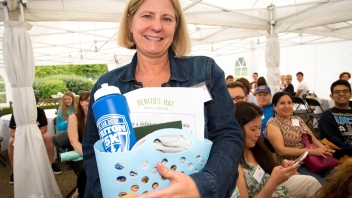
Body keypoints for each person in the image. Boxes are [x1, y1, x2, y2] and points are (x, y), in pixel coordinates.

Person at [82, 0, 243, 197]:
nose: (157, 26)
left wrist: (201, 186)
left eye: (166, 18)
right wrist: (111, 191)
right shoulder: (107, 85)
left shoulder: (205, 72)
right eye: (147, 16)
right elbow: (92, 152)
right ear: (130, 22)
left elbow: (228, 136)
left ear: (176, 27)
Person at [233, 102, 321, 198]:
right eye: (253, 129)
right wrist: (274, 181)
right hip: (268, 189)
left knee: (311, 183)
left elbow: (268, 170)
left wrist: (282, 168)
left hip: (272, 186)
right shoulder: (233, 164)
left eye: (259, 128)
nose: (258, 134)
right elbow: (281, 150)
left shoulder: (255, 147)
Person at [265, 91, 335, 185]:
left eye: (289, 103)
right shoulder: (273, 124)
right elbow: (282, 151)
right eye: (282, 103)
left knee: (339, 177)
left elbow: (312, 138)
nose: (287, 106)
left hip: (313, 158)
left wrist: (324, 149)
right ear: (274, 106)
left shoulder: (297, 119)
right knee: (320, 185)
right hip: (294, 163)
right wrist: (313, 151)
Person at [8, 96, 62, 184]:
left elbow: (44, 128)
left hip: (37, 135)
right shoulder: (17, 113)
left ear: (36, 103)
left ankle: (52, 164)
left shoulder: (40, 112)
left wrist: (33, 136)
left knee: (47, 137)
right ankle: (15, 171)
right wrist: (23, 137)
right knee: (11, 142)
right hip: (21, 137)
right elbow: (12, 131)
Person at [318, 80, 352, 160]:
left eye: (345, 91)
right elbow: (335, 142)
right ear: (331, 96)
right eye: (337, 92)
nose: (341, 94)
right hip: (343, 158)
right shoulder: (327, 116)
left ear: (350, 94)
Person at [67, 91, 90, 198]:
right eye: (87, 101)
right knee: (89, 168)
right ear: (80, 102)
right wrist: (88, 155)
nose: (90, 103)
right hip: (77, 152)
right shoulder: (74, 117)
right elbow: (74, 141)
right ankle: (82, 192)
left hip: (92, 150)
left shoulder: (95, 116)